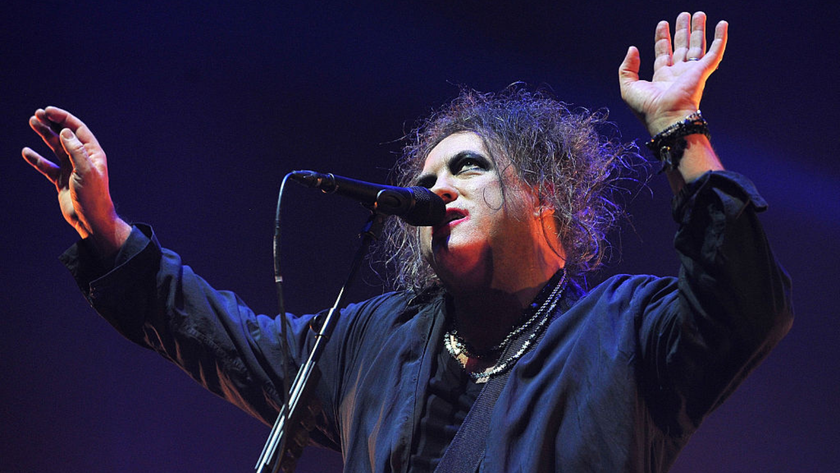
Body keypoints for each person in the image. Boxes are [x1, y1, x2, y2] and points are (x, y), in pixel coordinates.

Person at [21, 11, 792, 473]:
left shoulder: (625, 334)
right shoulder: (377, 341)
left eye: (468, 165)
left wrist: (679, 128)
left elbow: (742, 304)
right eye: (425, 175)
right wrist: (110, 231)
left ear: (543, 193)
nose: (437, 187)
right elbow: (229, 341)